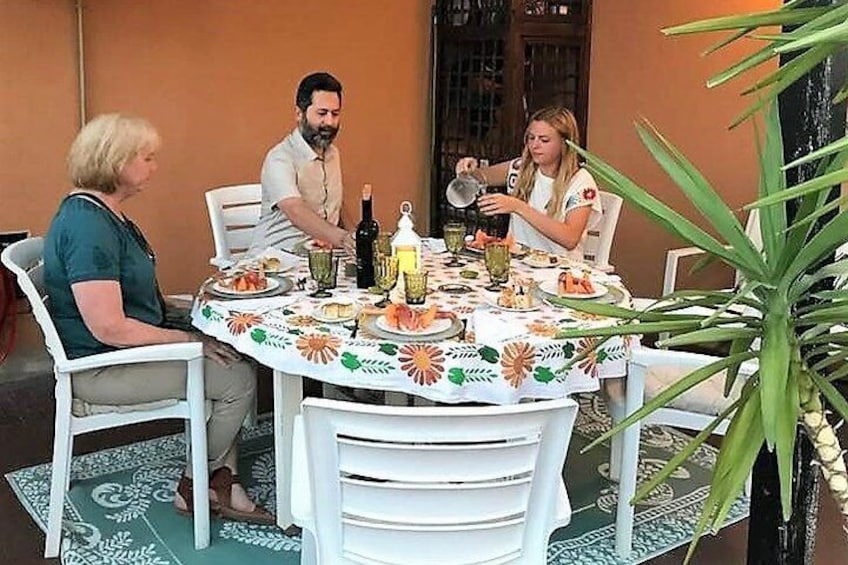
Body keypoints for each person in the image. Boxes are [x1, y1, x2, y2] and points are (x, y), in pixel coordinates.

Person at [43, 113, 273, 524]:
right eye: (146, 158)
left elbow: (132, 299)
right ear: (117, 162)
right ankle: (193, 483)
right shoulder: (87, 226)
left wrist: (190, 317)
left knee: (231, 352)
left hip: (116, 354)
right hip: (100, 368)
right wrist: (188, 341)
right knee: (237, 378)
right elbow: (108, 327)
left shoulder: (103, 214)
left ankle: (222, 476)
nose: (154, 167)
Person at [455, 106, 603, 262]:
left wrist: (519, 207)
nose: (535, 145)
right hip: (516, 265)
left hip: (560, 270)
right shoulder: (520, 167)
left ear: (564, 144)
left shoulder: (581, 182)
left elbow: (570, 239)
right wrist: (467, 169)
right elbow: (478, 177)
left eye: (544, 140)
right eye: (531, 138)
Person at [249, 71, 355, 256]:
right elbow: (295, 209)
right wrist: (342, 239)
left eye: (335, 114)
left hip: (320, 257)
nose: (329, 122)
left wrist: (355, 238)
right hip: (276, 260)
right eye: (322, 113)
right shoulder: (280, 158)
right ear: (299, 114)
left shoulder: (333, 154)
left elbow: (337, 204)